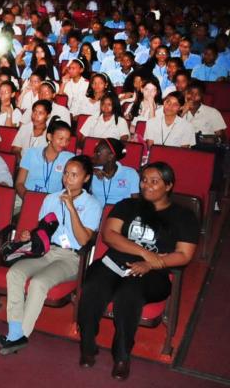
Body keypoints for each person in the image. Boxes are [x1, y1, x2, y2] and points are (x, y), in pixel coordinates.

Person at [78, 163, 197, 381]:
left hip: (153, 273)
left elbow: (184, 255)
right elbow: (110, 235)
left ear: (169, 185)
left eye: (155, 181)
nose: (147, 185)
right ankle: (87, 345)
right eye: (144, 180)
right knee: (92, 286)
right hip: (115, 262)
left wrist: (152, 263)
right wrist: (144, 253)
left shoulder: (183, 216)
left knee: (128, 295)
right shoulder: (127, 205)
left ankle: (122, 356)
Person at [0, 155, 101, 354]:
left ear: (86, 178)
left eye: (74, 175)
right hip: (45, 250)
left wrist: (71, 208)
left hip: (71, 257)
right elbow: (44, 230)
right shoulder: (51, 198)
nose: (68, 179)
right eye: (66, 174)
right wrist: (32, 234)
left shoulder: (92, 205)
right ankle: (15, 331)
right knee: (14, 273)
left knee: (39, 283)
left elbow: (84, 240)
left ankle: (19, 336)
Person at [15, 119, 74, 197]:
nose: (64, 144)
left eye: (67, 140)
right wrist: (28, 199)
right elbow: (19, 183)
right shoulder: (31, 153)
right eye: (60, 139)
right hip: (26, 197)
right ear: (49, 136)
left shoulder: (70, 158)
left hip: (52, 202)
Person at [90, 138, 139, 206]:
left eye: (98, 153)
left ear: (110, 156)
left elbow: (135, 202)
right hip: (96, 213)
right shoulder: (92, 171)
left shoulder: (130, 174)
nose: (93, 155)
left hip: (120, 214)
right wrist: (90, 170)